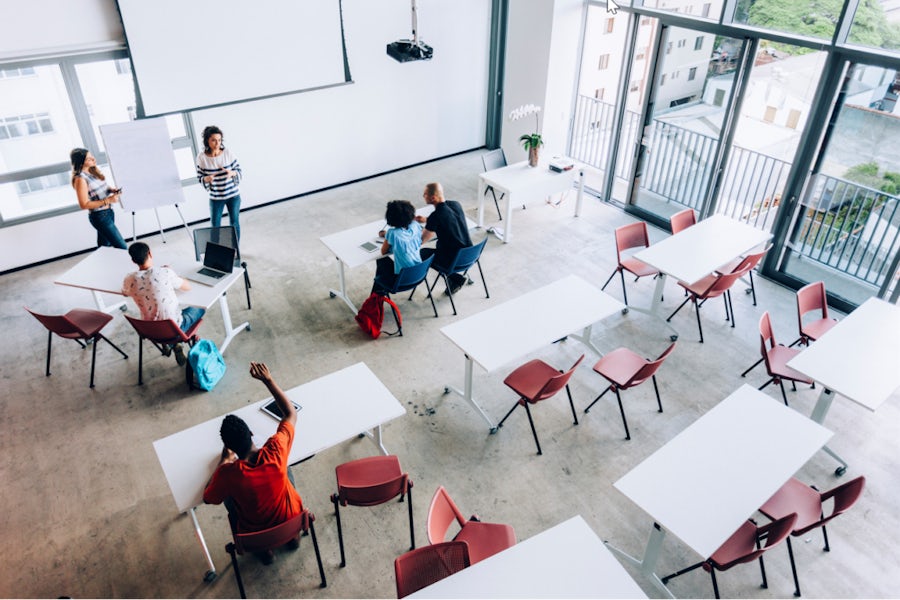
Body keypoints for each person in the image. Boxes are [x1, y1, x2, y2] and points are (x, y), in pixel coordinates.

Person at [203, 362, 303, 564]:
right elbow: (291, 413)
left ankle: (265, 552)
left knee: (227, 497)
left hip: (255, 536)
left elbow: (208, 498)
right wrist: (268, 380)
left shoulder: (228, 474)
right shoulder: (276, 449)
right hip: (292, 520)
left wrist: (223, 461)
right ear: (250, 434)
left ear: (229, 446)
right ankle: (292, 537)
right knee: (286, 467)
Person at [121, 242, 205, 366]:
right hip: (175, 329)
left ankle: (170, 344)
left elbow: (125, 292)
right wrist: (173, 273)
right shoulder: (164, 272)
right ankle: (175, 343)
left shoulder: (129, 279)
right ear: (150, 253)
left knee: (159, 315)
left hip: (150, 331)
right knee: (201, 307)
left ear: (133, 261)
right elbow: (187, 287)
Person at [417, 182, 472, 295]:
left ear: (433, 198)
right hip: (469, 255)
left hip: (453, 259)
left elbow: (421, 241)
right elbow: (448, 217)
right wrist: (427, 220)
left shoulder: (435, 216)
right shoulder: (456, 204)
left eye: (425, 194)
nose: (423, 196)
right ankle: (455, 279)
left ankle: (455, 278)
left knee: (423, 253)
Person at [70, 148, 128, 249]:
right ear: (81, 162)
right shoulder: (80, 179)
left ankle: (102, 263)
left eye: (91, 156)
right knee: (122, 247)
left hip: (109, 212)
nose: (93, 159)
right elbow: (84, 204)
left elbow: (101, 188)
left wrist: (111, 190)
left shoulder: (92, 171)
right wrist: (108, 200)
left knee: (104, 247)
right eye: (88, 159)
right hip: (100, 216)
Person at [196, 125, 243, 240]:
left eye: (219, 140)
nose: (217, 143)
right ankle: (217, 252)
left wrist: (232, 173)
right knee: (215, 226)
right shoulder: (201, 157)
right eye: (213, 140)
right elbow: (200, 177)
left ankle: (236, 250)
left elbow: (239, 170)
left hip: (233, 196)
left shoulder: (228, 153)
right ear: (207, 141)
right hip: (216, 198)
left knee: (234, 223)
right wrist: (206, 179)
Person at [373, 200, 423, 293]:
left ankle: (376, 296)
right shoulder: (416, 225)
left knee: (381, 259)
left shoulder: (392, 233)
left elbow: (383, 252)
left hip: (401, 280)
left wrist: (387, 235)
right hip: (418, 274)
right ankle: (376, 295)